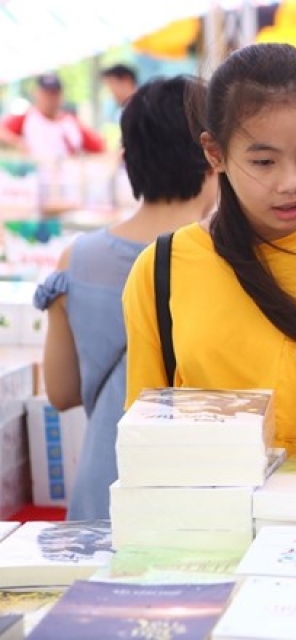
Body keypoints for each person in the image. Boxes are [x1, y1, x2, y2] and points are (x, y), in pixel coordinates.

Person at [122, 43, 296, 460]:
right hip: (199, 516)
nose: (292, 182)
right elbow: (144, 432)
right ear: (214, 153)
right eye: (263, 162)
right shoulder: (161, 268)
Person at [33, 76, 218, 520]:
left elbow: (60, 392)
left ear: (129, 158)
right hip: (203, 496)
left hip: (105, 486)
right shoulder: (226, 262)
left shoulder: (75, 260)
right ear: (214, 156)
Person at [0, 73, 104, 158]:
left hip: (66, 179)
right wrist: (17, 142)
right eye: (46, 93)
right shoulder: (27, 118)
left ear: (61, 95)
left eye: (54, 93)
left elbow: (99, 147)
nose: (50, 98)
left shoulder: (71, 122)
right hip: (35, 179)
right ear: (36, 93)